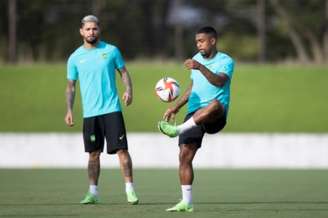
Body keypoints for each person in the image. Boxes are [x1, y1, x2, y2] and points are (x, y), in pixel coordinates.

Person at [158, 26, 235, 212]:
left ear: (213, 41)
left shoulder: (226, 60)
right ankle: (186, 202)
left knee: (216, 104)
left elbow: (219, 81)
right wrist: (175, 107)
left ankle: (178, 129)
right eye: (197, 42)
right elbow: (192, 87)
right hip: (194, 113)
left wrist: (200, 66)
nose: (198, 45)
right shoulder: (196, 59)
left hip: (215, 114)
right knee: (184, 156)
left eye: (202, 41)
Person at [65, 15, 138, 205]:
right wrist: (69, 110)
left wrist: (129, 90)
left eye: (94, 29)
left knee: (122, 150)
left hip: (112, 109)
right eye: (88, 29)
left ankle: (130, 190)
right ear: (81, 31)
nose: (91, 32)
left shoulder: (111, 51)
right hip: (90, 114)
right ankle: (93, 193)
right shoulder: (74, 58)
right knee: (93, 154)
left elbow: (123, 72)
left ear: (99, 30)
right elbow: (71, 86)